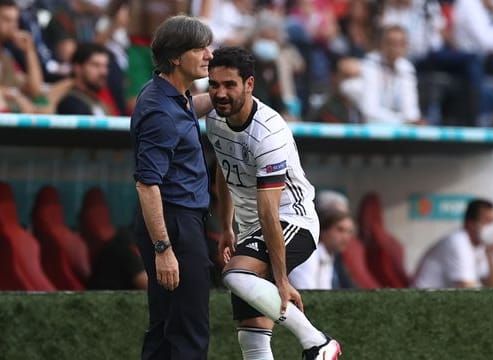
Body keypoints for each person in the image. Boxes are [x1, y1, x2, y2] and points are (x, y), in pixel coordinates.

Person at [206, 46, 342, 360]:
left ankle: (318, 342)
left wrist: (282, 281)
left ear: (249, 84)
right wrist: (227, 227)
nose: (220, 93)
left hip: (292, 222)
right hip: (253, 230)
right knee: (251, 336)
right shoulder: (214, 120)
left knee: (236, 275)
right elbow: (225, 171)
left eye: (229, 85)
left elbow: (269, 210)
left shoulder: (268, 132)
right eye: (214, 85)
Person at [130, 15, 214, 359]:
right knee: (188, 331)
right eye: (200, 48)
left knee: (166, 328)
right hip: (173, 224)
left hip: (174, 219)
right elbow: (147, 184)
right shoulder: (161, 111)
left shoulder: (168, 93)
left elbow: (189, 110)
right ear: (177, 57)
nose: (209, 54)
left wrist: (223, 96)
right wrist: (164, 249)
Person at [413, 199, 493, 289]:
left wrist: (491, 257)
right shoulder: (457, 242)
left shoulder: (480, 247)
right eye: (489, 221)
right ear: (471, 224)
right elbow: (467, 288)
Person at [358, 25, 424, 125]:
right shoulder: (370, 64)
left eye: (401, 44)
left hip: (396, 127)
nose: (396, 48)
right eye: (392, 43)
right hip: (369, 127)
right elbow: (369, 111)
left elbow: (411, 111)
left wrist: (410, 120)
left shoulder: (407, 67)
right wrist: (403, 121)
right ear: (382, 44)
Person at [289, 209, 354, 289]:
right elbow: (307, 293)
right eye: (340, 230)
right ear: (323, 231)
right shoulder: (308, 255)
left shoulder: (331, 257)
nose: (346, 237)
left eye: (349, 232)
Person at [56, 42, 112, 115]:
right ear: (77, 68)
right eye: (95, 65)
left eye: (105, 66)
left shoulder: (98, 102)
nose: (103, 72)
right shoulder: (71, 103)